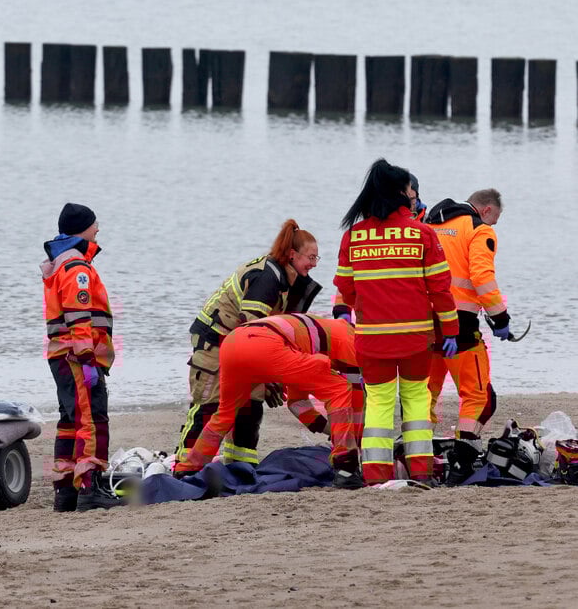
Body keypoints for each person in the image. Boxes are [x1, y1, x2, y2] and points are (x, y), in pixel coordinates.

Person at [334, 159, 459, 486]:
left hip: (372, 340)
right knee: (416, 400)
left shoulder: (354, 237)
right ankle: (421, 472)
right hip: (416, 339)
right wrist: (451, 331)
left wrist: (369, 306)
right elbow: (441, 292)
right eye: (408, 187)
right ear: (400, 192)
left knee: (378, 403)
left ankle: (376, 477)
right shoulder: (423, 233)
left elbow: (346, 289)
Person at [176, 219, 322, 469]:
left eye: (317, 258)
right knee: (209, 405)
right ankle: (185, 467)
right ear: (291, 254)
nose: (314, 264)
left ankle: (240, 467)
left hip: (242, 344)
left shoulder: (288, 278)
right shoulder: (267, 278)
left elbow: (273, 333)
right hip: (215, 341)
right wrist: (270, 377)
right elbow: (252, 334)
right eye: (311, 257)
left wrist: (271, 377)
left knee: (250, 406)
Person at [173, 313, 365, 488]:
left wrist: (329, 430)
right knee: (340, 389)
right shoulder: (351, 339)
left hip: (233, 343)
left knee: (224, 413)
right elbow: (355, 403)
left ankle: (189, 468)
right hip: (266, 344)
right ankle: (345, 468)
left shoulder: (314, 339)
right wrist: (354, 443)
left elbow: (297, 403)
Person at [424, 189, 509, 484]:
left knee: (427, 391)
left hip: (424, 320)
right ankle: (463, 460)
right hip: (460, 322)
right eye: (494, 220)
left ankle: (417, 453)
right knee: (478, 395)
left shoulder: (430, 222)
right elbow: (482, 277)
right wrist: (500, 317)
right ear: (486, 211)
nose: (493, 227)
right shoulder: (478, 229)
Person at [41, 203, 122, 512]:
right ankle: (89, 487)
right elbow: (79, 315)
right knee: (91, 420)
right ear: (82, 229)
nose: (98, 229)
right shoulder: (77, 268)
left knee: (70, 421)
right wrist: (87, 357)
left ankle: (66, 490)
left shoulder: (62, 263)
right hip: (77, 358)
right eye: (94, 225)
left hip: (62, 356)